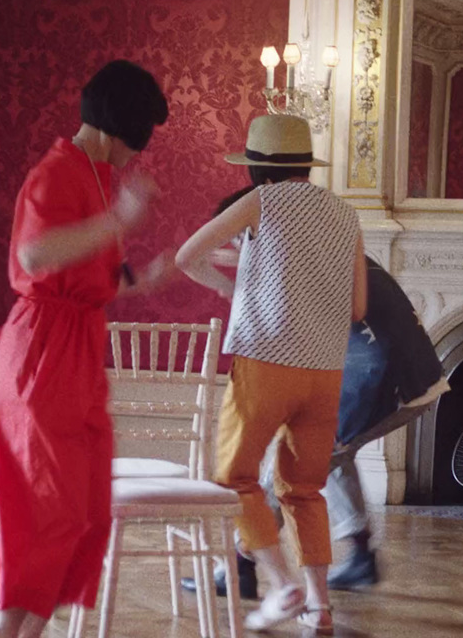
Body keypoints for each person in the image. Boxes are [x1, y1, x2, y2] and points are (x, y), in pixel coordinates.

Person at [0, 60, 172, 638]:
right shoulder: (56, 172)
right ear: (121, 125)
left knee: (86, 510)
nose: (138, 151)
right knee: (44, 509)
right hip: (40, 358)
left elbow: (94, 278)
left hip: (79, 350)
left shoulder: (96, 176)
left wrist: (150, 275)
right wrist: (119, 221)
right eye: (139, 135)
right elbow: (35, 258)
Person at [183, 190, 448, 598]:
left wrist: (231, 284)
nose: (240, 247)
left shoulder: (292, 261)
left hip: (383, 382)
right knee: (335, 454)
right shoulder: (326, 246)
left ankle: (240, 567)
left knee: (285, 468)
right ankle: (359, 556)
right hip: (418, 378)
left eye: (240, 238)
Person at [176, 114, 365, 635]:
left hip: (265, 361)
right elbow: (357, 304)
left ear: (257, 167)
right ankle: (320, 607)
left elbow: (187, 256)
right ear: (307, 162)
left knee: (235, 479)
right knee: (305, 490)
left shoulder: (264, 202)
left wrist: (231, 289)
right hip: (326, 370)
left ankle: (282, 585)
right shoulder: (345, 213)